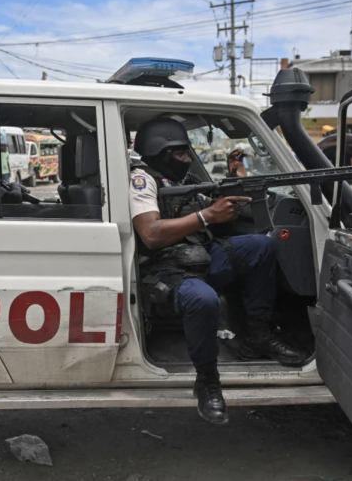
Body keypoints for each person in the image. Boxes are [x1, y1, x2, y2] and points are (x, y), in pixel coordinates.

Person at [129, 117, 308, 425]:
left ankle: (258, 336)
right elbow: (151, 233)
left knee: (261, 247)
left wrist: (236, 182)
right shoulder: (142, 181)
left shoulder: (181, 181)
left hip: (200, 255)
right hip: (166, 268)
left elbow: (215, 215)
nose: (187, 159)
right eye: (182, 153)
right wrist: (206, 215)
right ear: (160, 152)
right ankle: (208, 380)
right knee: (204, 299)